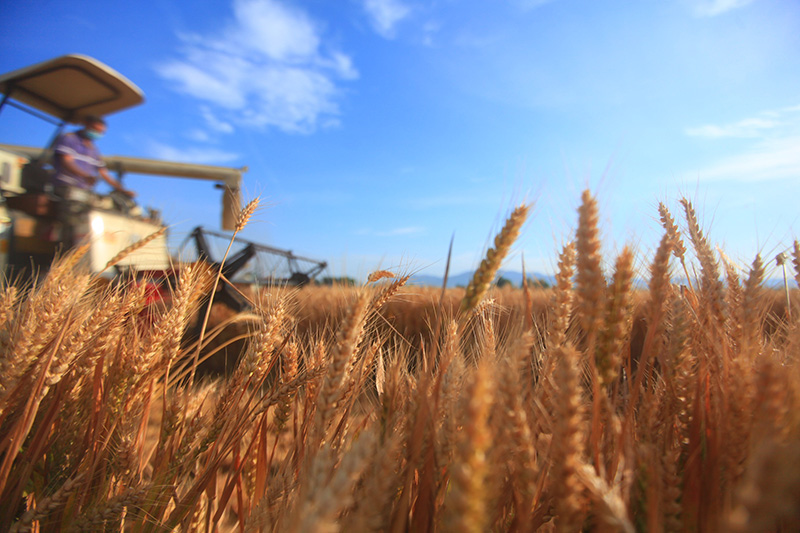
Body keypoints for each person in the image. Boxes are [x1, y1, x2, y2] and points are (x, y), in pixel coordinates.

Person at [52, 115, 135, 198]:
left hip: (83, 190)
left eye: (100, 132)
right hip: (64, 185)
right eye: (95, 129)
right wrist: (85, 176)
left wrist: (122, 190)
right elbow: (66, 161)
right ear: (86, 125)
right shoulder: (70, 139)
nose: (97, 133)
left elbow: (104, 173)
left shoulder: (94, 150)